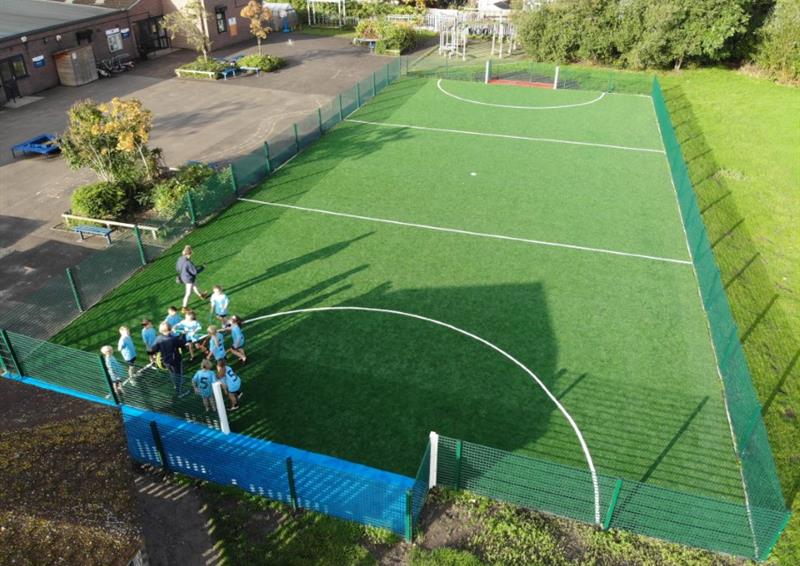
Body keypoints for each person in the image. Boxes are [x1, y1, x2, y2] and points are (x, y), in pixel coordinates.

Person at [151, 322, 188, 396]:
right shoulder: (172, 339)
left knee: (172, 373)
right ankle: (179, 392)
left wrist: (155, 355)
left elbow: (152, 349)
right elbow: (182, 343)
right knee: (178, 375)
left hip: (166, 361)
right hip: (175, 360)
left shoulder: (158, 338)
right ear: (169, 330)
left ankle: (175, 385)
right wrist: (184, 334)